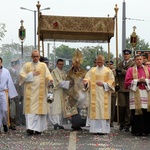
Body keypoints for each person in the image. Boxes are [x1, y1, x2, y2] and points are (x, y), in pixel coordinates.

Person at [19, 50, 53, 135]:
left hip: (40, 92)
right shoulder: (27, 65)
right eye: (34, 56)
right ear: (31, 57)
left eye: (37, 56)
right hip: (30, 93)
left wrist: (50, 80)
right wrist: (31, 74)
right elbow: (21, 76)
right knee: (30, 111)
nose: (35, 58)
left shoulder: (43, 65)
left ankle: (38, 129)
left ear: (39, 57)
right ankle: (30, 128)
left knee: (39, 112)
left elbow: (48, 76)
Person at [83, 55, 115, 135]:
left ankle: (103, 130)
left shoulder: (108, 71)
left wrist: (104, 84)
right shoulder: (92, 70)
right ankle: (94, 129)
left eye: (101, 62)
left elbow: (112, 81)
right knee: (95, 111)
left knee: (102, 111)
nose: (99, 63)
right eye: (98, 62)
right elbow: (87, 78)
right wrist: (86, 82)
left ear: (104, 62)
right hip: (94, 94)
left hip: (104, 93)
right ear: (96, 62)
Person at [125, 54, 150, 136]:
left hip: (146, 93)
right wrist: (138, 81)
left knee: (146, 112)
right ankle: (137, 130)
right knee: (136, 112)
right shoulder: (130, 70)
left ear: (142, 60)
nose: (139, 61)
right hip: (136, 92)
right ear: (134, 61)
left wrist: (145, 80)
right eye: (137, 59)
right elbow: (127, 81)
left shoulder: (148, 69)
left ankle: (146, 130)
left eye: (140, 59)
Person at [64, 49, 88, 130]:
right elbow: (66, 81)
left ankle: (80, 123)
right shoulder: (69, 73)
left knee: (81, 110)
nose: (76, 66)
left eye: (78, 65)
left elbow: (87, 80)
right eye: (75, 65)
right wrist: (69, 83)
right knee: (74, 110)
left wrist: (85, 85)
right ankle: (75, 124)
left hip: (82, 93)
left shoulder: (84, 72)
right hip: (72, 93)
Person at [116, 49, 135, 132]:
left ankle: (127, 124)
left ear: (130, 55)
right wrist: (116, 84)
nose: (126, 55)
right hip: (121, 87)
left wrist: (122, 71)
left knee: (128, 107)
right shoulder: (119, 64)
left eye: (127, 54)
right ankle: (121, 122)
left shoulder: (133, 63)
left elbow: (131, 73)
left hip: (129, 87)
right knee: (122, 106)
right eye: (125, 54)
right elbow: (116, 75)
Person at [49, 59, 70, 130]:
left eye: (62, 64)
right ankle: (55, 123)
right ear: (57, 64)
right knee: (56, 107)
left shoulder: (63, 72)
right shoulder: (55, 71)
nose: (61, 66)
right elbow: (59, 82)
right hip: (56, 91)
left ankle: (60, 123)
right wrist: (69, 83)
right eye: (59, 64)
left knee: (61, 108)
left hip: (62, 91)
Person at [0, 57, 18, 133]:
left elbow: (9, 83)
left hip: (3, 92)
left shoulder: (6, 71)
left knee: (5, 110)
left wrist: (11, 95)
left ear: (1, 62)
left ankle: (4, 123)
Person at [105, 60, 116, 127]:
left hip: (112, 92)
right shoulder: (104, 71)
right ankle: (106, 120)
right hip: (105, 91)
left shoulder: (113, 71)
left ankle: (111, 121)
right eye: (108, 65)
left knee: (112, 107)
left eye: (110, 65)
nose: (109, 66)